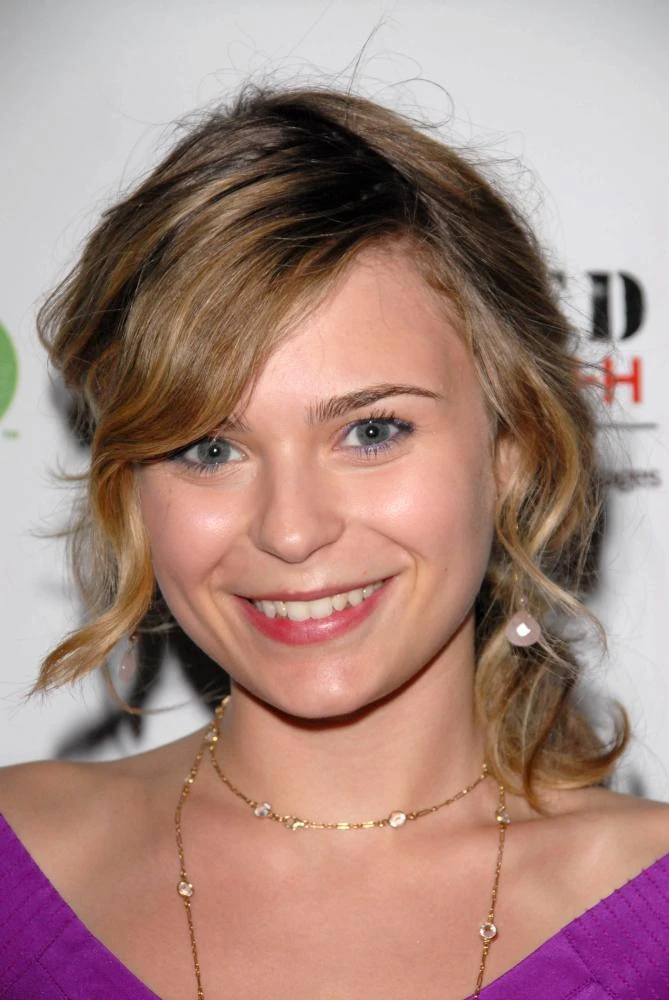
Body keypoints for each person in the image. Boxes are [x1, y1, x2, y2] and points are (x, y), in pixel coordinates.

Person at [1, 84, 668, 1000]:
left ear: (511, 452)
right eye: (210, 448)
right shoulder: (19, 866)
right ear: (133, 491)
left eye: (371, 431)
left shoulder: (648, 914)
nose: (290, 529)